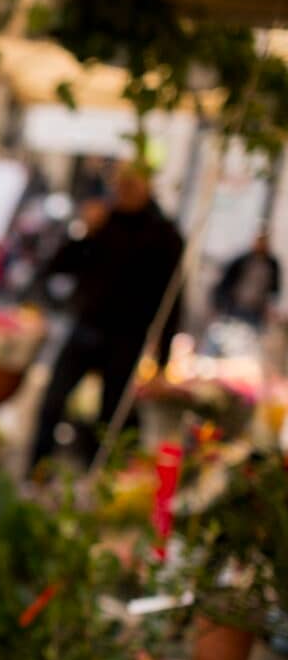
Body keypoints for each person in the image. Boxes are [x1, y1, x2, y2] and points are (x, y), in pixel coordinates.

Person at [28, 162, 184, 471]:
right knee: (53, 400)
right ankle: (37, 470)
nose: (123, 190)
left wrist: (164, 359)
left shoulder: (164, 235)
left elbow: (173, 300)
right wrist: (85, 232)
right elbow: (59, 265)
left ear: (147, 186)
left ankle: (98, 477)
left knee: (110, 416)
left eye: (131, 184)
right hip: (87, 326)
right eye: (119, 184)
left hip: (127, 337)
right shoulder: (103, 220)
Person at [212, 228, 281, 330]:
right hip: (236, 308)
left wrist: (270, 308)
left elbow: (274, 290)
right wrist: (222, 303)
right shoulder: (242, 260)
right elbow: (225, 281)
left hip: (256, 312)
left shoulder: (271, 265)